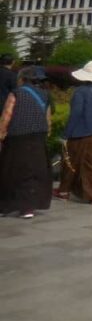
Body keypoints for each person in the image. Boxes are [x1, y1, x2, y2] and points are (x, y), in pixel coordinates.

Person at [55, 60, 92, 205]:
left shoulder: (81, 91)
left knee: (70, 163)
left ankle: (64, 191)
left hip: (79, 134)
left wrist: (65, 135)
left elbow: (75, 114)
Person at [0, 66, 53, 218]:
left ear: (22, 79)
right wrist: (45, 135)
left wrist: (1, 134)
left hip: (17, 138)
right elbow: (48, 119)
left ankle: (7, 206)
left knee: (12, 171)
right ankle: (28, 208)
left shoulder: (16, 93)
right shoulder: (45, 95)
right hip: (38, 138)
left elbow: (6, 116)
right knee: (34, 172)